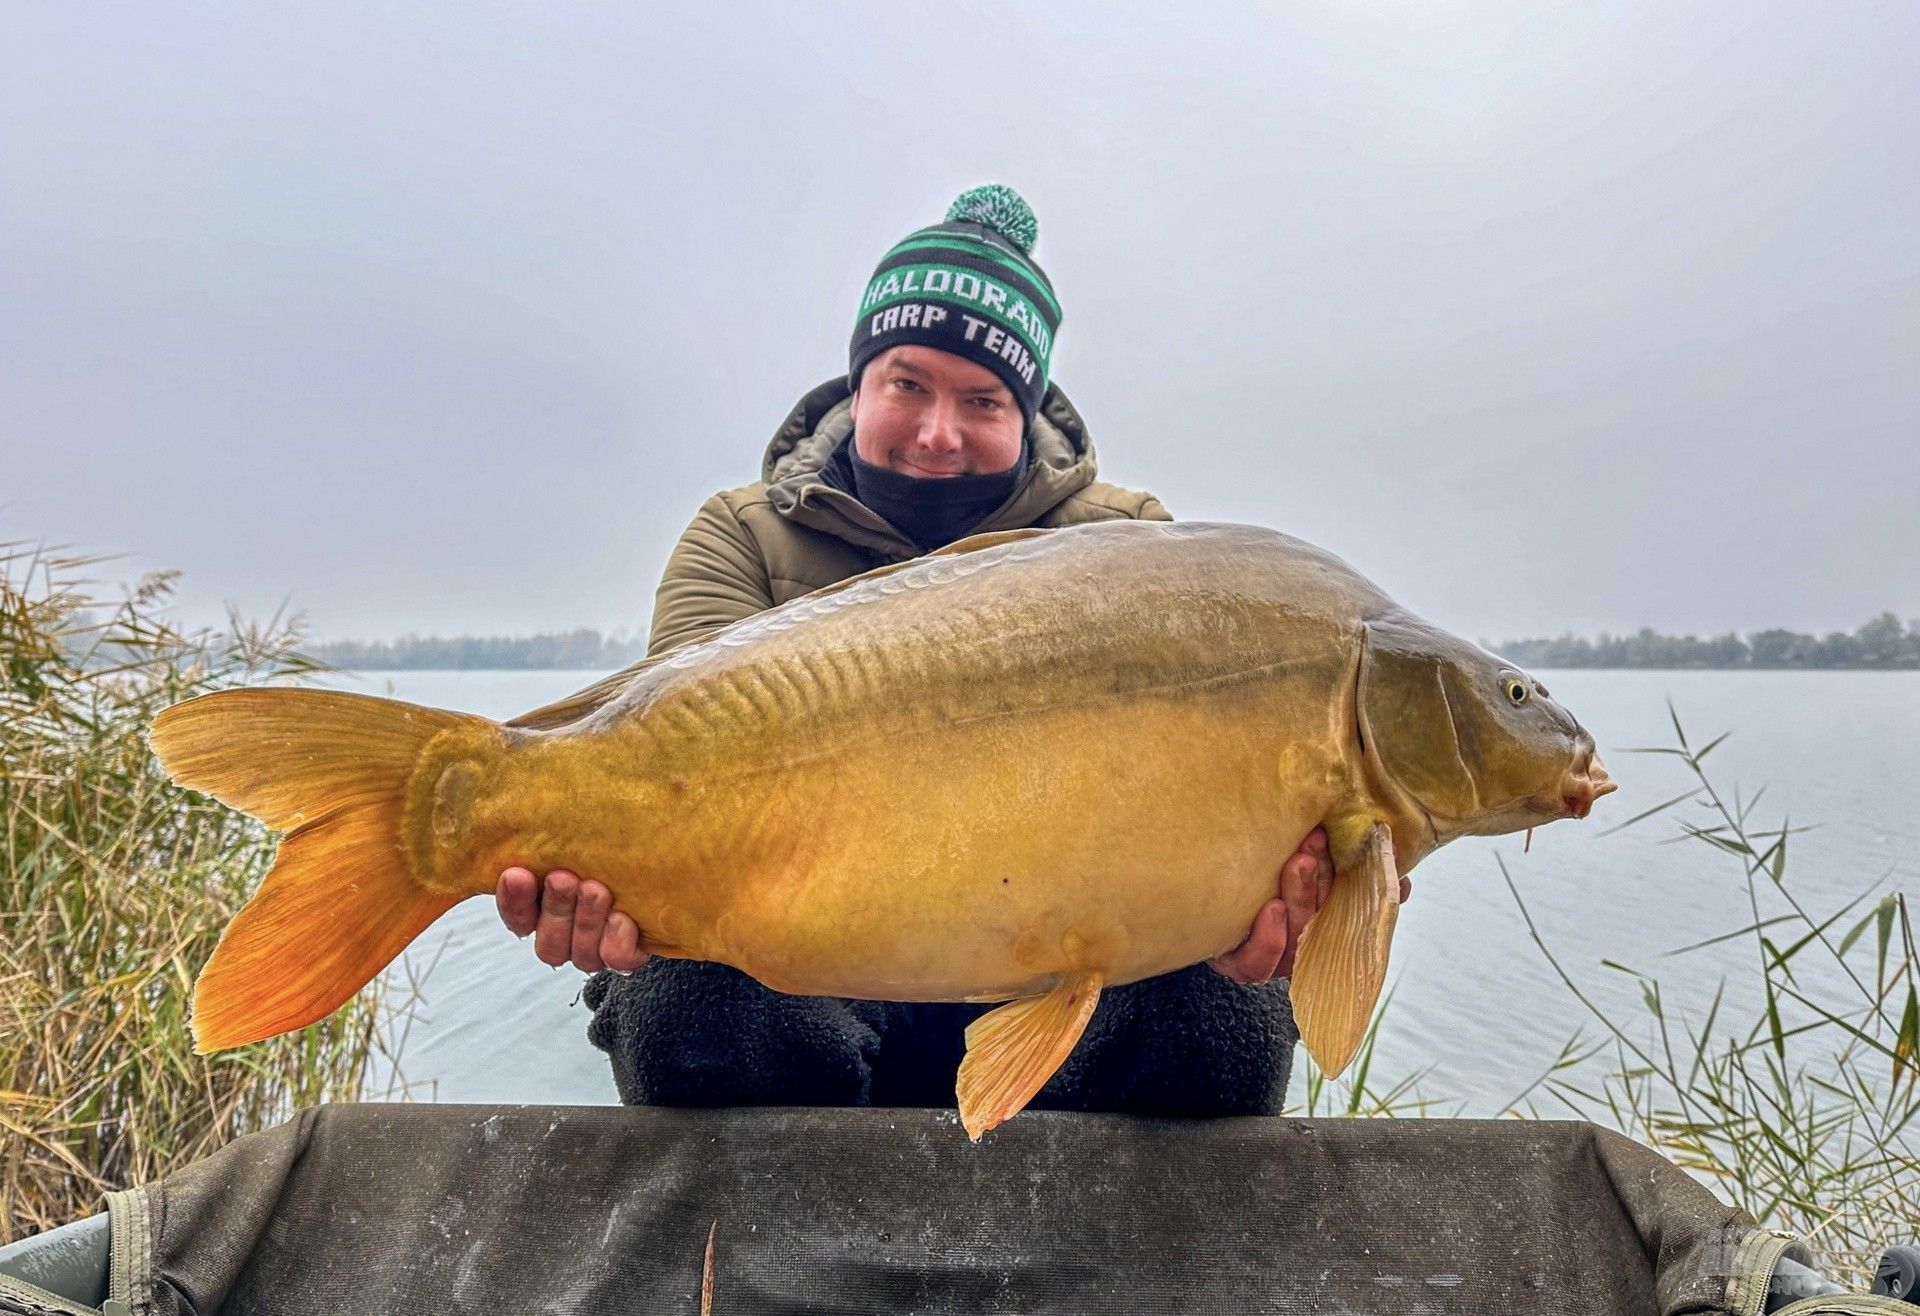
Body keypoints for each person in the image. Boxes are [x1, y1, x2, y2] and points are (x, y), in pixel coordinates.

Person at [493, 186, 1406, 1116]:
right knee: (683, 998)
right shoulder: (743, 536)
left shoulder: (1132, 547)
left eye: (982, 399)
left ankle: (1116, 1248)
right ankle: (766, 1251)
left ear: (1027, 409)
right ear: (859, 385)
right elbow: (670, 760)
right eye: (907, 384)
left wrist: (1251, 909)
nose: (938, 432)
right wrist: (610, 876)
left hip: (1053, 968)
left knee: (1226, 1012)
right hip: (815, 968)